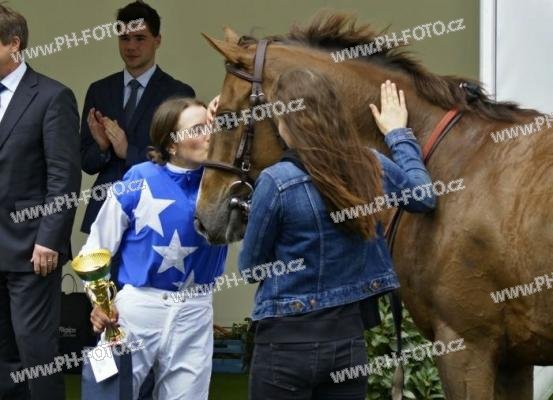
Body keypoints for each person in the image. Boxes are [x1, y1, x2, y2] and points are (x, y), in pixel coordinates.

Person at [239, 71, 437, 400]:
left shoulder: (276, 181)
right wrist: (398, 134)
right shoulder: (370, 164)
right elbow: (424, 197)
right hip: (347, 344)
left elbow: (250, 269)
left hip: (284, 345)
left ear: (286, 121)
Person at [80, 98, 228, 400]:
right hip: (136, 309)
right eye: (197, 129)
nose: (208, 135)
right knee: (108, 394)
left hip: (195, 311)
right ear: (171, 144)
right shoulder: (139, 177)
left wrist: (227, 107)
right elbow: (96, 246)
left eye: (210, 126)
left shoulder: (224, 180)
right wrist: (100, 303)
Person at [0, 4, 81, 399]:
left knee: (36, 353)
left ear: (13, 44)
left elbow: (63, 177)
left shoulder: (52, 96)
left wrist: (49, 239)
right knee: (3, 356)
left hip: (32, 251)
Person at [80, 0, 195, 234]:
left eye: (140, 38)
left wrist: (128, 151)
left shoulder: (178, 94)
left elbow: (181, 158)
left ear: (157, 40)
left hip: (158, 210)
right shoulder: (99, 90)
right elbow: (86, 163)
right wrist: (102, 147)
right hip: (106, 212)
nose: (131, 46)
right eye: (125, 38)